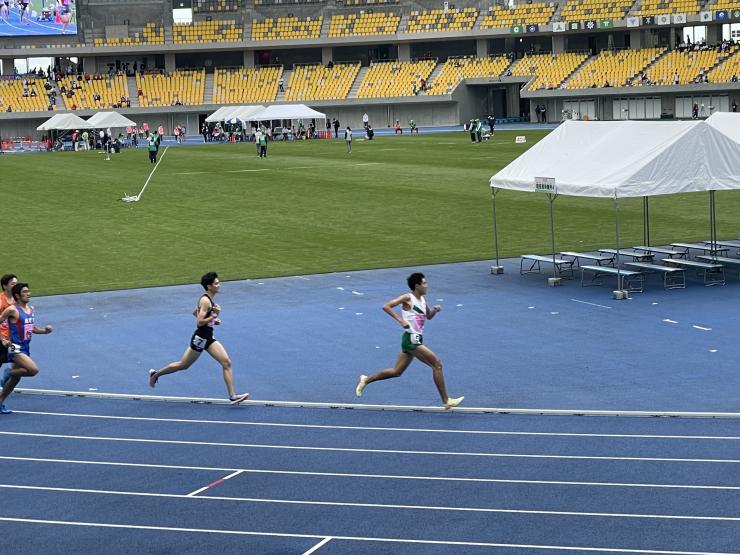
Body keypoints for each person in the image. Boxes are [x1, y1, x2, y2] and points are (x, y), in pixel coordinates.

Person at [355, 273, 464, 409]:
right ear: (417, 285)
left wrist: (435, 311)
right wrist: (401, 320)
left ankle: (366, 379)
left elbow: (428, 316)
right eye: (424, 283)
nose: (427, 285)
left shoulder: (423, 300)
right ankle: (446, 400)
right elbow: (386, 306)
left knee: (396, 372)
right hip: (411, 339)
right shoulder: (407, 298)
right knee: (437, 364)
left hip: (414, 338)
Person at [148, 272, 249, 404]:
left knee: (226, 362)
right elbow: (199, 322)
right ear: (209, 286)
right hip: (200, 338)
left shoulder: (209, 300)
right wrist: (214, 316)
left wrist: (213, 321)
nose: (219, 285)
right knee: (183, 365)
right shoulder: (206, 300)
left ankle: (232, 396)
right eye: (216, 283)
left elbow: (195, 312)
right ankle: (155, 374)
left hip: (208, 337)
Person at [0, 283, 54, 414]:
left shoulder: (30, 309)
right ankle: (8, 372)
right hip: (15, 347)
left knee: (15, 380)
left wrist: (45, 331)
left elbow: (31, 328)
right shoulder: (12, 310)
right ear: (17, 295)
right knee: (33, 370)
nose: (28, 293)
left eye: (28, 291)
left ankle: (0, 402)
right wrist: (3, 339)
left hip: (25, 346)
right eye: (25, 292)